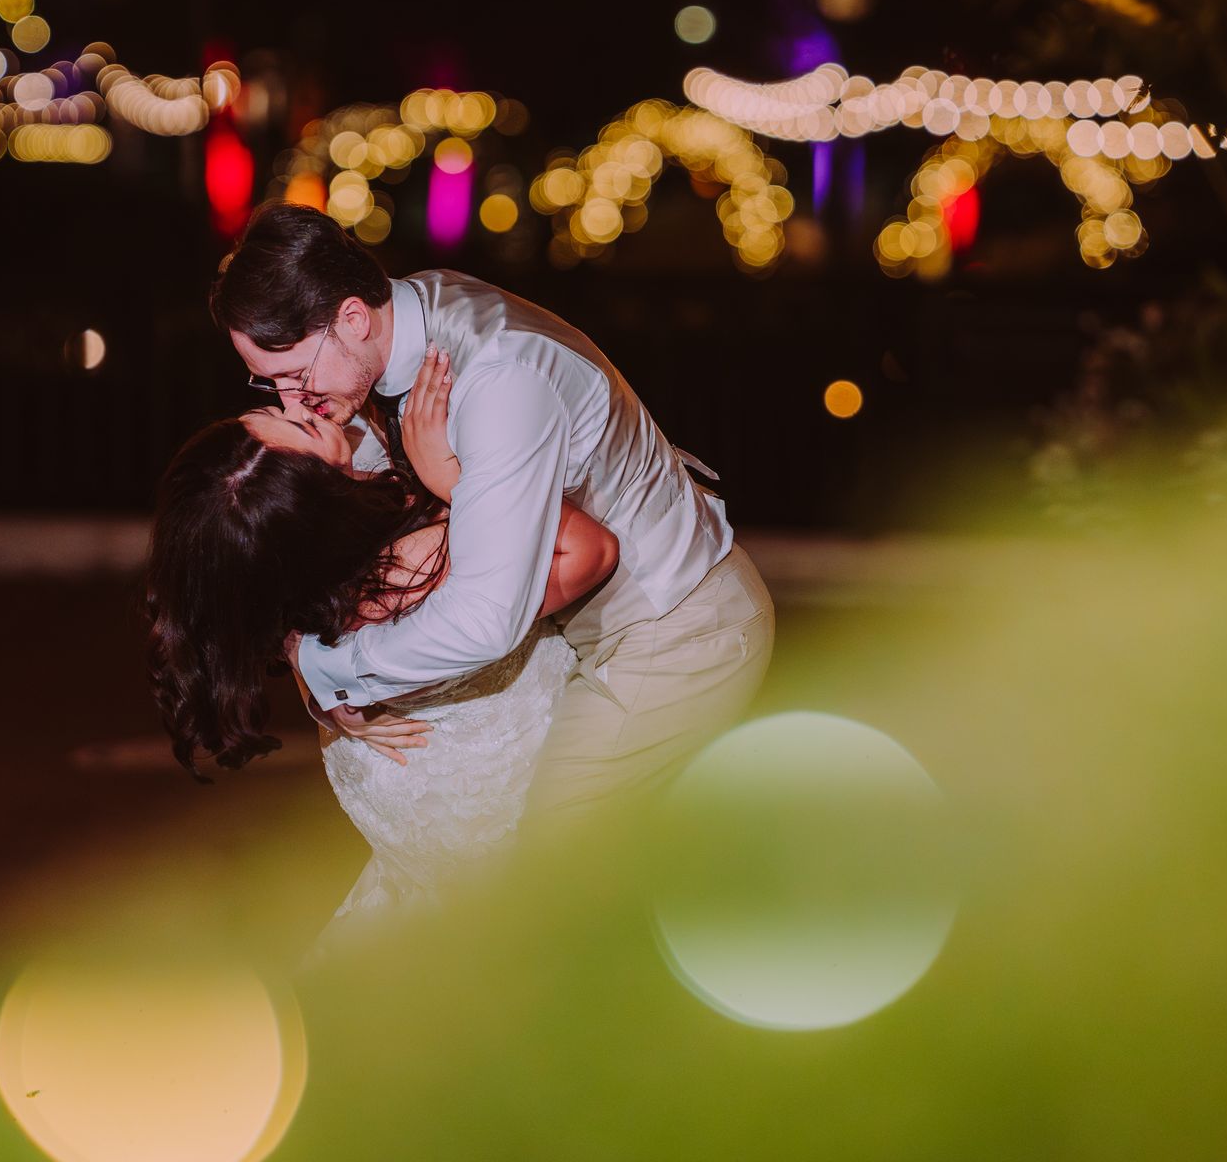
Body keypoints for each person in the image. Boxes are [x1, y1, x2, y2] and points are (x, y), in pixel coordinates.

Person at [212, 201, 774, 820]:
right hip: (583, 629)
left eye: (293, 374)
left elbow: (487, 618)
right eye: (269, 385)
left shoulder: (500, 377)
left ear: (351, 318)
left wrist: (336, 669)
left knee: (553, 855)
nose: (292, 401)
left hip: (675, 629)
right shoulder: (403, 326)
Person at [144, 351, 618, 928]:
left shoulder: (293, 578)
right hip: (475, 806)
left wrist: (324, 696)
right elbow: (590, 550)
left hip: (405, 807)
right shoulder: (404, 570)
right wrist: (460, 484)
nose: (294, 401)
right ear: (313, 499)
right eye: (298, 425)